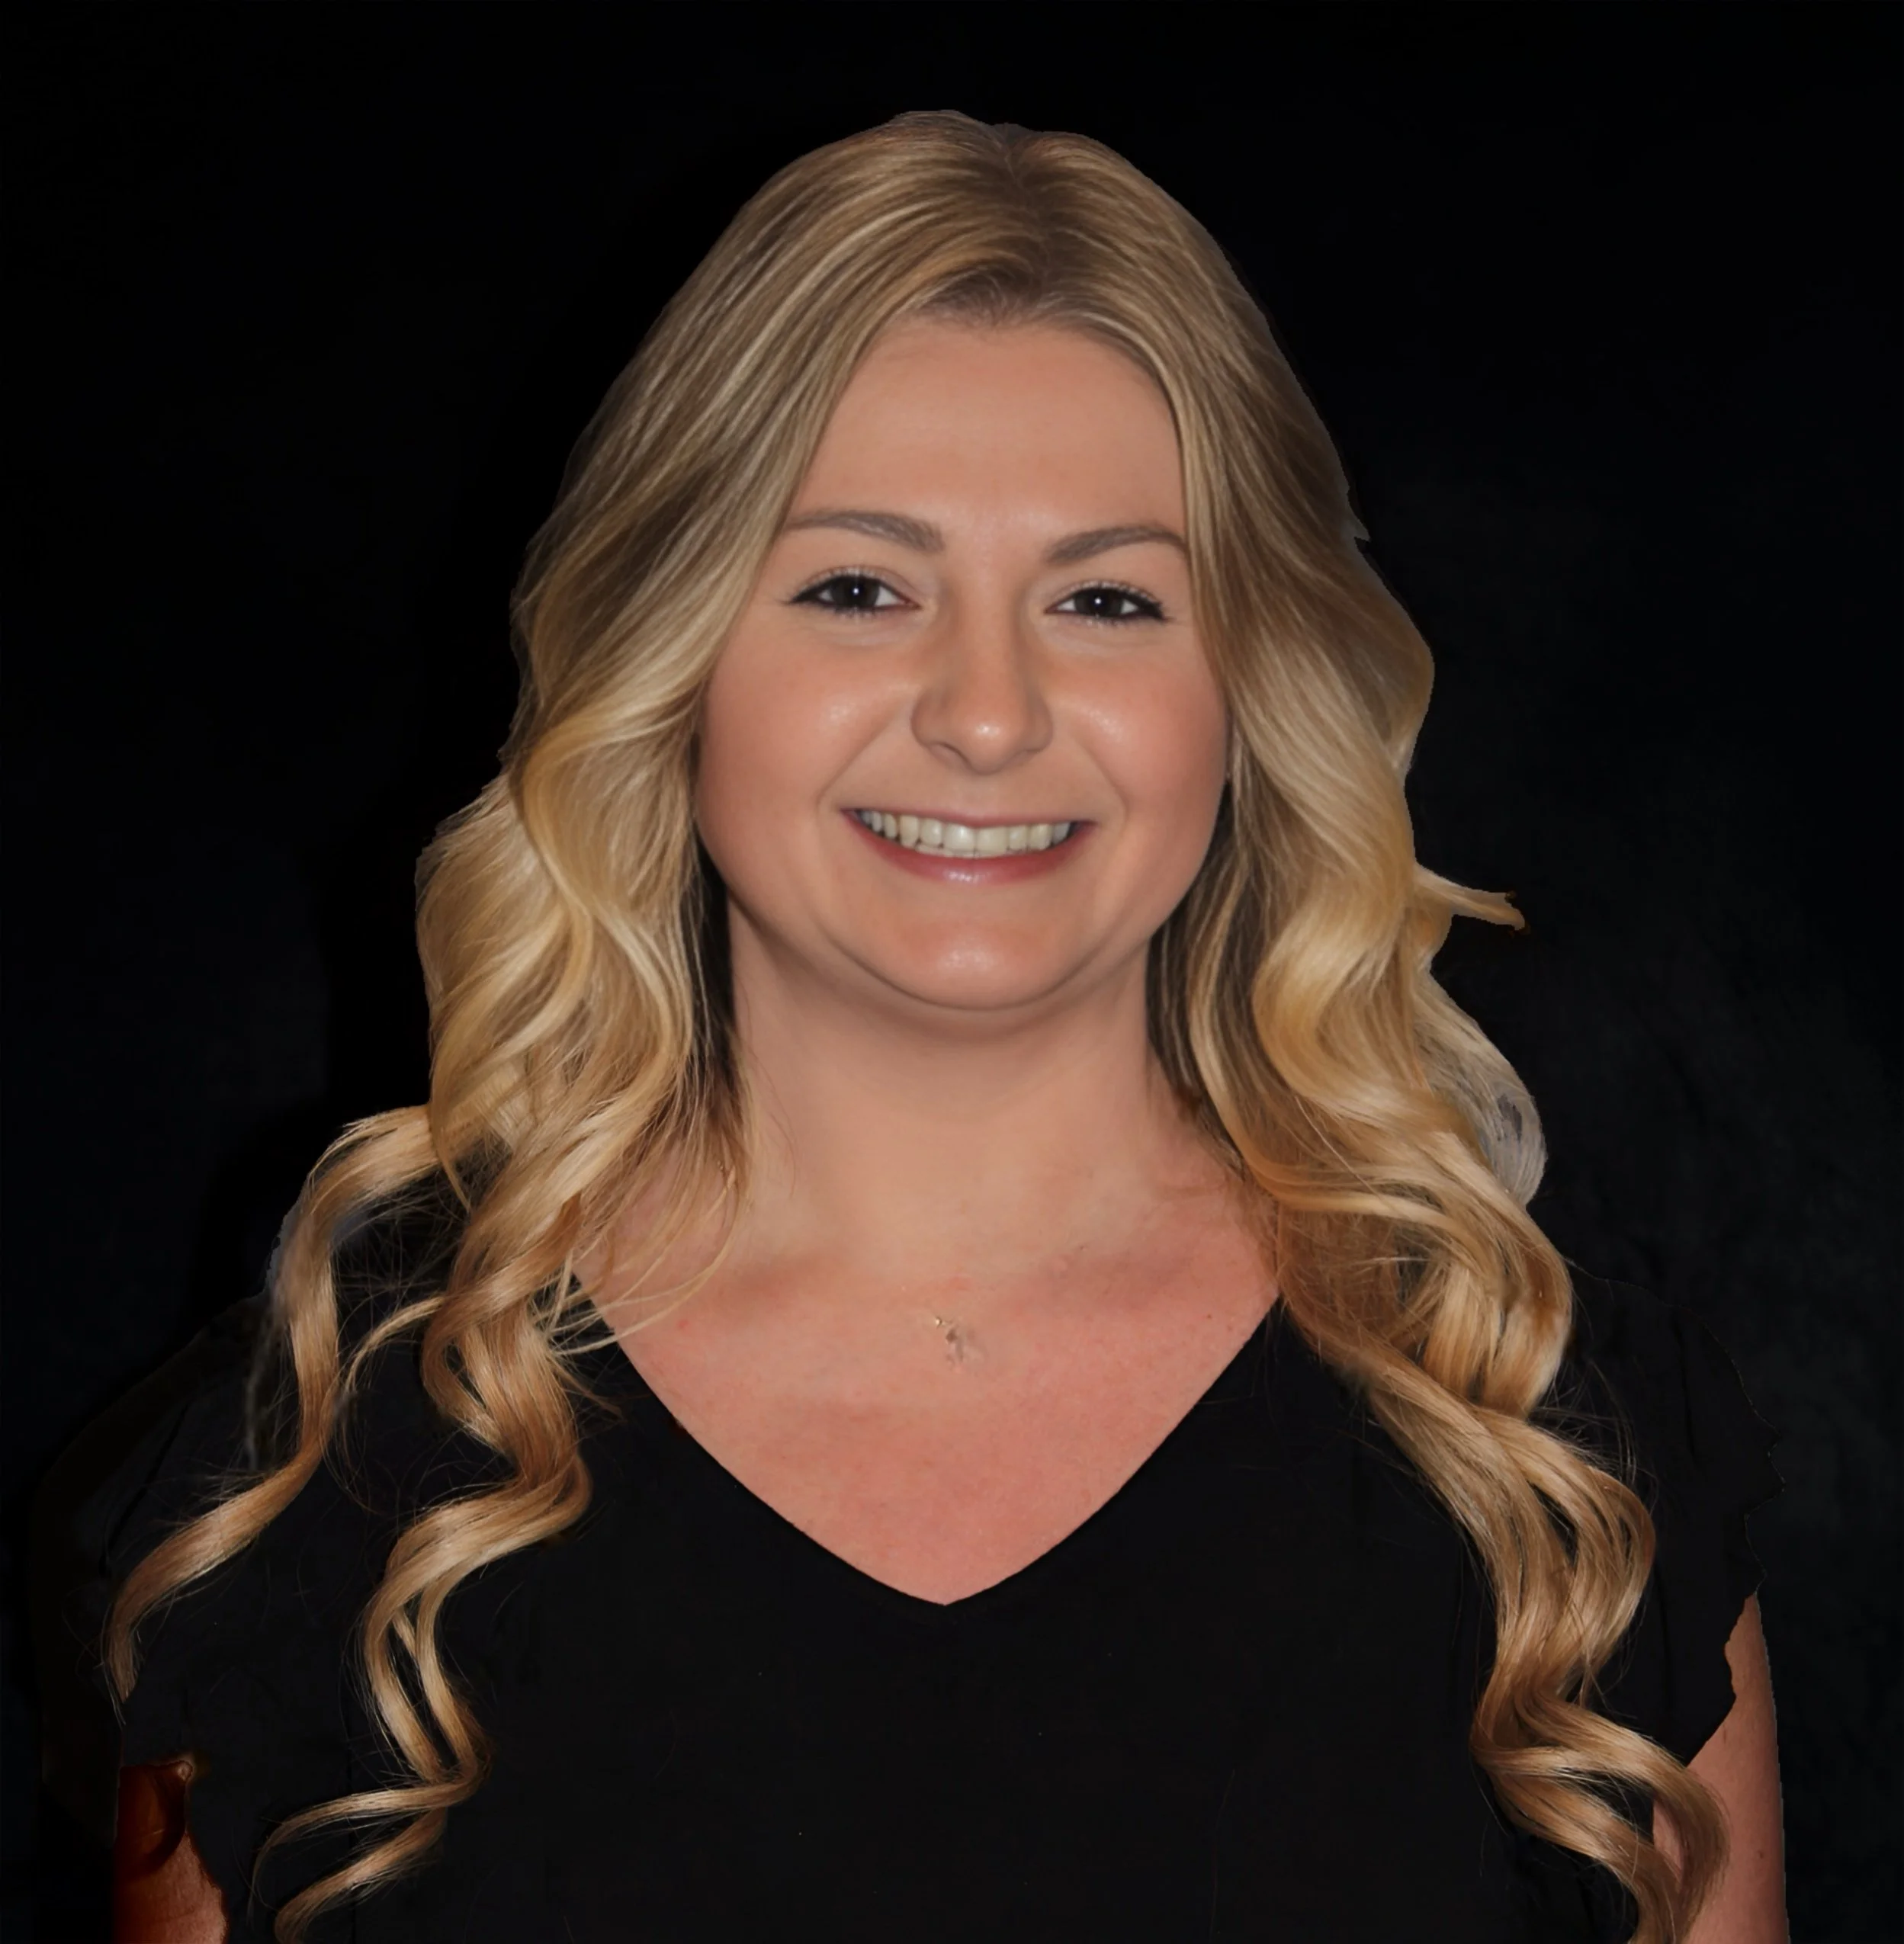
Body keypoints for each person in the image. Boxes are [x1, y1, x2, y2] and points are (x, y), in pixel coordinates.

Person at [88, 111, 1784, 1942]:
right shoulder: (316, 1460)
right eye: (858, 588)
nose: (987, 711)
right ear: (671, 663)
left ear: (1245, 691)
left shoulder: (1551, 1449)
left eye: (1109, 599)